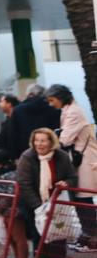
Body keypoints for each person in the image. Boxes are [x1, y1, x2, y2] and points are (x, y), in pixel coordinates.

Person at [13, 127, 78, 258]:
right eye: (36, 141)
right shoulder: (27, 157)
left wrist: (66, 182)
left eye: (43, 140)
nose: (39, 144)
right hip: (33, 204)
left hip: (56, 203)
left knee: (59, 237)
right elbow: (24, 184)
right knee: (40, 236)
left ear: (51, 142)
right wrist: (40, 208)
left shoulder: (61, 156)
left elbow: (73, 177)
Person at [47, 84, 97, 248]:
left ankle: (92, 238)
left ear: (60, 97)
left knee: (83, 198)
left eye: (52, 100)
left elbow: (65, 139)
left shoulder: (73, 112)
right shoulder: (69, 109)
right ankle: (88, 237)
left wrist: (52, 140)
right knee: (80, 198)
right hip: (79, 159)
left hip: (84, 159)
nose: (51, 104)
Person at [6, 84, 61, 162]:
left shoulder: (18, 110)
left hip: (24, 154)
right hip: (49, 152)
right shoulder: (54, 109)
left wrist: (14, 157)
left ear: (30, 94)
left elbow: (12, 135)